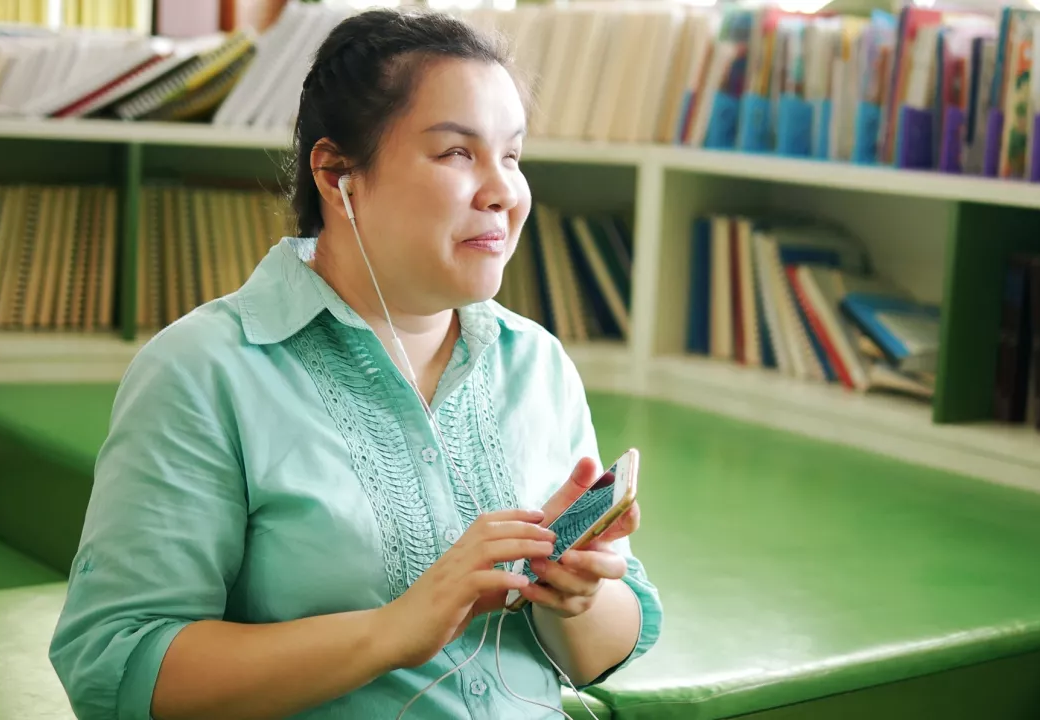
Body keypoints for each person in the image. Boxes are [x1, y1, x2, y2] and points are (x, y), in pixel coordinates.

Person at [47, 9, 662, 720]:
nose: (503, 191)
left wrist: (576, 596)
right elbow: (116, 664)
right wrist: (390, 631)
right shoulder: (201, 370)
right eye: (457, 154)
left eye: (513, 156)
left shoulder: (539, 365)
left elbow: (600, 655)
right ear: (338, 174)